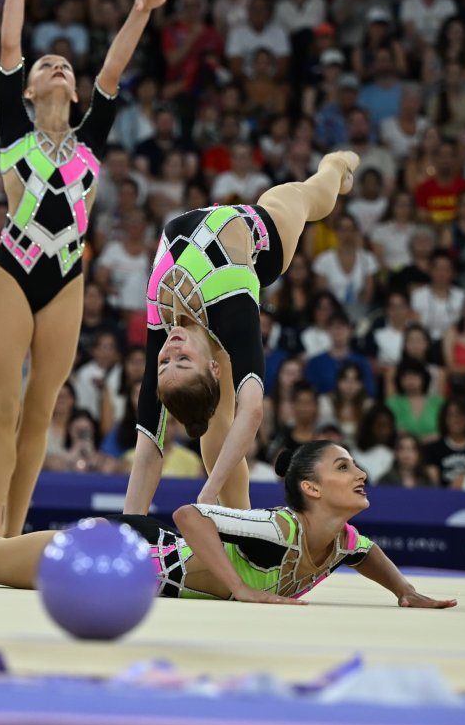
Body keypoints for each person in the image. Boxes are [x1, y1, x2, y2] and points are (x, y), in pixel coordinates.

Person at [0, 0, 178, 537]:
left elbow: (112, 71)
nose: (58, 65)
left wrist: (141, 9)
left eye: (65, 63)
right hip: (13, 271)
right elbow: (10, 45)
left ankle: (12, 537)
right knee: (5, 405)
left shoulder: (91, 142)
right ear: (30, 90)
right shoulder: (14, 129)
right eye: (46, 67)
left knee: (41, 411)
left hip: (66, 278)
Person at [0, 440, 456, 609]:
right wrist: (242, 588)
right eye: (346, 467)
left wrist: (403, 591)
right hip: (121, 553)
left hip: (139, 573)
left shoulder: (339, 541)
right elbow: (189, 513)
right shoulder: (280, 530)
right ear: (312, 489)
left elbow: (365, 553)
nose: (360, 473)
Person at [125, 150, 360, 519]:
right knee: (309, 197)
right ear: (214, 369)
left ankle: (336, 164)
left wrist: (131, 526)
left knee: (320, 190)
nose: (171, 348)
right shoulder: (233, 310)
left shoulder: (163, 325)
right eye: (182, 360)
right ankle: (244, 527)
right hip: (267, 236)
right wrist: (209, 493)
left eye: (166, 363)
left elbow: (147, 446)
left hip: (213, 250)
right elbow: (251, 411)